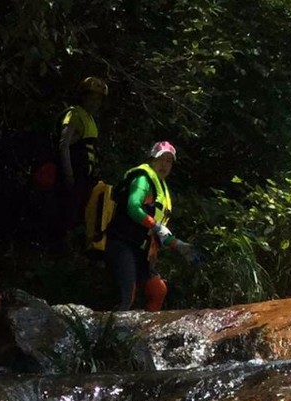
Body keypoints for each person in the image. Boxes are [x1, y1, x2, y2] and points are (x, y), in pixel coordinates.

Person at [104, 141, 201, 311]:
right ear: (151, 159)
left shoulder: (161, 188)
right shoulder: (142, 179)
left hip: (141, 251)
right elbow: (133, 207)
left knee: (158, 291)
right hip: (122, 243)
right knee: (128, 296)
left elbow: (160, 233)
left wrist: (180, 246)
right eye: (161, 159)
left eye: (169, 161)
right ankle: (112, 335)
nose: (165, 165)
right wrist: (156, 226)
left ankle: (145, 334)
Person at [58, 77, 108, 239]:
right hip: (73, 175)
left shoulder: (90, 119)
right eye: (92, 97)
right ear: (83, 97)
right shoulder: (74, 114)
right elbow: (63, 145)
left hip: (86, 177)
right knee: (66, 213)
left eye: (98, 99)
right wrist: (69, 175)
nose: (95, 103)